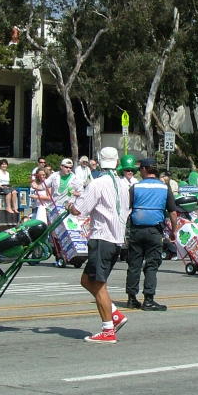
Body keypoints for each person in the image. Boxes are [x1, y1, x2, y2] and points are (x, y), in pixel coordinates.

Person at [67, 147, 130, 344]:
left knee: (99, 284)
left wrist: (70, 204)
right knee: (87, 280)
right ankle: (114, 314)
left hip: (102, 237)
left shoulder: (98, 183)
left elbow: (80, 210)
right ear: (117, 162)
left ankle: (107, 329)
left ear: (99, 162)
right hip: (116, 238)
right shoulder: (123, 183)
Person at [125, 157, 178, 311]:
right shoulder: (164, 187)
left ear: (144, 170)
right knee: (151, 265)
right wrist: (173, 231)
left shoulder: (135, 187)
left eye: (140, 168)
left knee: (134, 265)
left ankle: (131, 299)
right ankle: (148, 299)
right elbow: (173, 213)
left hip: (136, 230)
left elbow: (126, 209)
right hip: (154, 231)